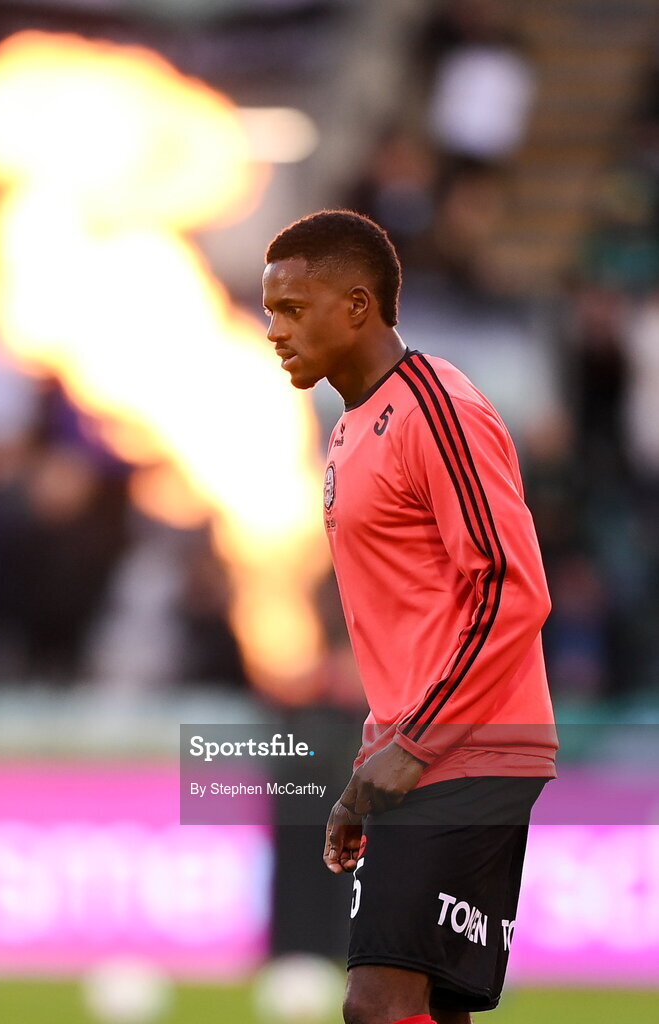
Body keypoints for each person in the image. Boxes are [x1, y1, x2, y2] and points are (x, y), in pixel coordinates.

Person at [262, 210, 556, 1024]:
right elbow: (407, 621)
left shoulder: (436, 407)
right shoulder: (350, 428)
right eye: (269, 311)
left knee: (377, 1003)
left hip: (469, 746)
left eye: (293, 308)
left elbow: (509, 587)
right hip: (419, 746)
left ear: (357, 306)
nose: (274, 330)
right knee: (424, 1006)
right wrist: (369, 765)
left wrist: (413, 743)